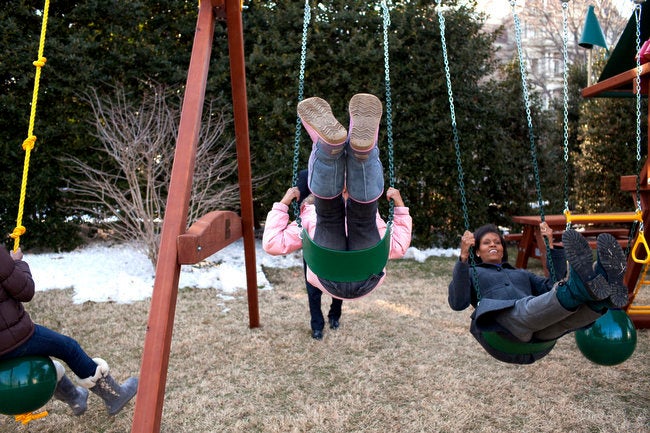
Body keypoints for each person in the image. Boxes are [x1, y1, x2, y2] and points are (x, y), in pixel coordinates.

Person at [263, 93, 412, 311]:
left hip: (331, 270)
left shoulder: (309, 216)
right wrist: (399, 208)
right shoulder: (315, 214)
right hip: (365, 270)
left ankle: (335, 149)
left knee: (332, 216)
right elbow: (397, 247)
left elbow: (272, 244)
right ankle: (359, 152)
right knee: (362, 216)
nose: (344, 189)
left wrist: (283, 205)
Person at [448, 222, 629, 364]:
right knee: (524, 310)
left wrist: (549, 244)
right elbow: (458, 303)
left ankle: (603, 295)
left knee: (564, 320)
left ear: (503, 249)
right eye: (486, 243)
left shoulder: (520, 273)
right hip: (503, 331)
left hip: (539, 339)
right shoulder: (471, 272)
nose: (493, 245)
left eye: (497, 242)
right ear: (477, 251)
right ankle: (583, 284)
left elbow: (551, 286)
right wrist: (463, 258)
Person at [0, 245, 138, 416]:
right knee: (69, 348)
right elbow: (25, 291)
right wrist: (17, 264)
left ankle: (75, 398)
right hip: (15, 338)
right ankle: (114, 395)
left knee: (43, 356)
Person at [294, 169, 343, 340]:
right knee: (313, 289)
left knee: (338, 285)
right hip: (313, 245)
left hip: (337, 243)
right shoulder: (308, 174)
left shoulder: (344, 171)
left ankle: (335, 315)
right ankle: (317, 325)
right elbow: (295, 205)